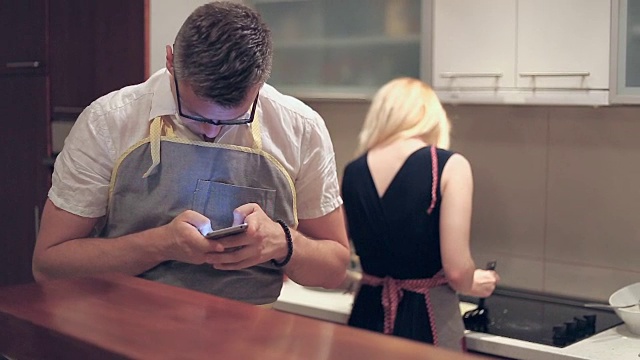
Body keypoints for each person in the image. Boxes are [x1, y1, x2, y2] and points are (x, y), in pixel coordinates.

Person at [31, 1, 350, 306]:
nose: (212, 132)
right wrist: (160, 245)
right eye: (196, 114)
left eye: (235, 118)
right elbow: (49, 266)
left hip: (251, 337)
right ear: (170, 61)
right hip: (126, 330)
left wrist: (282, 242)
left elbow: (334, 268)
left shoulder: (301, 129)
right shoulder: (109, 122)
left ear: (261, 81)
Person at [340, 77, 500, 350]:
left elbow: (342, 251)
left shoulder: (353, 171)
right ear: (432, 116)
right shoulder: (449, 165)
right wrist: (476, 283)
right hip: (429, 324)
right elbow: (458, 271)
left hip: (365, 318)